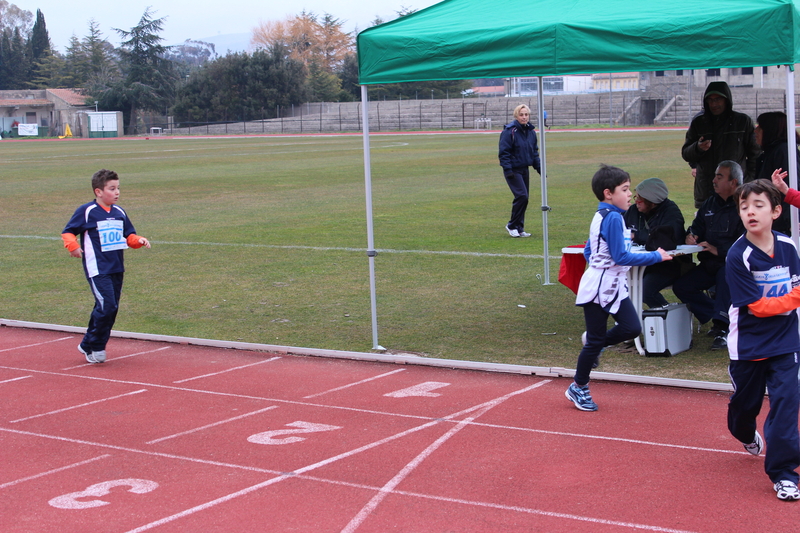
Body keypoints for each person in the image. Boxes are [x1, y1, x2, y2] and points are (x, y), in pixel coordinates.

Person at [567, 165, 671, 412]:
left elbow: (590, 250)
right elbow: (621, 257)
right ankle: (578, 386)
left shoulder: (606, 215)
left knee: (631, 327)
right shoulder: (611, 217)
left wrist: (603, 263)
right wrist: (656, 256)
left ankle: (598, 344)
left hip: (613, 284)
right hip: (600, 287)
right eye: (625, 190)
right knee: (594, 341)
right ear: (608, 194)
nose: (630, 195)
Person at [725, 178, 800, 501]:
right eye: (744, 207)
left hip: (786, 343)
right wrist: (796, 298)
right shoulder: (737, 256)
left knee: (786, 405)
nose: (750, 212)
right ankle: (743, 432)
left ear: (776, 211)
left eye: (758, 205)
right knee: (745, 409)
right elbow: (758, 307)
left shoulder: (789, 247)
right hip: (749, 345)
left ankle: (784, 473)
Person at [61, 169, 151, 364]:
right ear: (98, 192)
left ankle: (88, 344)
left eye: (118, 188)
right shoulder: (87, 211)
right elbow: (68, 231)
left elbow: (129, 236)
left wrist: (139, 240)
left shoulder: (119, 212)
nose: (117, 192)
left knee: (110, 307)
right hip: (97, 269)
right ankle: (95, 345)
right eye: (112, 189)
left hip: (117, 268)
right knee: (107, 305)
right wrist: (73, 246)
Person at [672, 161, 744, 350]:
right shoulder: (710, 203)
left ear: (733, 182)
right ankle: (719, 316)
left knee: (725, 277)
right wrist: (692, 235)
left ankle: (723, 329)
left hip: (733, 265)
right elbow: (697, 226)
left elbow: (747, 241)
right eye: (715, 175)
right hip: (709, 264)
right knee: (682, 287)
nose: (713, 180)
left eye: (719, 177)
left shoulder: (744, 205)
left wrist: (718, 250)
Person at [681, 81, 760, 208]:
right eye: (710, 100)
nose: (714, 104)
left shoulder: (742, 122)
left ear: (726, 100)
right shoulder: (699, 123)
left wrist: (747, 180)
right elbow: (686, 154)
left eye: (718, 99)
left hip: (735, 190)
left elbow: (755, 155)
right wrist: (698, 148)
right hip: (706, 189)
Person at [623, 177, 686, 308]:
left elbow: (664, 239)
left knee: (646, 290)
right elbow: (621, 230)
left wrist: (636, 236)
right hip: (639, 263)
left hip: (667, 264)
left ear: (652, 201)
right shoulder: (633, 211)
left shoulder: (671, 212)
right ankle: (630, 322)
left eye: (640, 198)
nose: (636, 201)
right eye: (636, 197)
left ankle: (667, 319)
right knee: (618, 283)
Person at [754, 111, 800, 235]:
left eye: (760, 127)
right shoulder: (768, 153)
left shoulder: (783, 151)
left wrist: (788, 223)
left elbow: (789, 187)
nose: (755, 131)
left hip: (782, 224)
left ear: (770, 130)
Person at [498, 104, 541, 238]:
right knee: (522, 196)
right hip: (513, 170)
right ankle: (511, 225)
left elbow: (534, 152)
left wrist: (540, 168)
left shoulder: (531, 132)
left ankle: (519, 227)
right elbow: (504, 152)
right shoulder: (509, 131)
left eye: (526, 114)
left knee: (525, 198)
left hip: (524, 169)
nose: (524, 117)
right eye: (521, 114)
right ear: (516, 115)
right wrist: (508, 169)